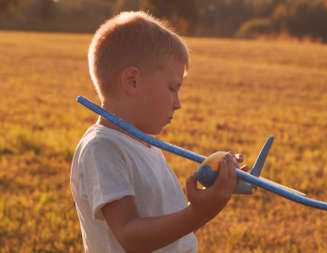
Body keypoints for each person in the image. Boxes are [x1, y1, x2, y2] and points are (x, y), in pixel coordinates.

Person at [70, 11, 248, 253]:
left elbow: (164, 224)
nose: (178, 103)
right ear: (132, 81)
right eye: (172, 88)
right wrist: (199, 212)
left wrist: (213, 190)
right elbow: (131, 236)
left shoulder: (143, 145)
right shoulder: (102, 148)